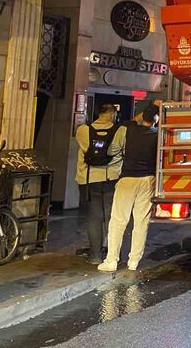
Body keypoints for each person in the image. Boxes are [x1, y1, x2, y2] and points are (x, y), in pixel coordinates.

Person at [99, 104, 159, 272]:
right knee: (141, 221)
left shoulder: (131, 129)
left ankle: (111, 261)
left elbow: (135, 119)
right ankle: (134, 261)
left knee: (118, 220)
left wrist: (150, 110)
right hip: (147, 180)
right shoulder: (157, 135)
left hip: (127, 180)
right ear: (156, 119)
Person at [75, 104, 124, 264]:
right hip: (111, 179)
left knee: (94, 218)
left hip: (88, 180)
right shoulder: (121, 131)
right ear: (112, 115)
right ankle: (112, 256)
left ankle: (95, 256)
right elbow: (123, 152)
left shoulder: (82, 130)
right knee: (112, 218)